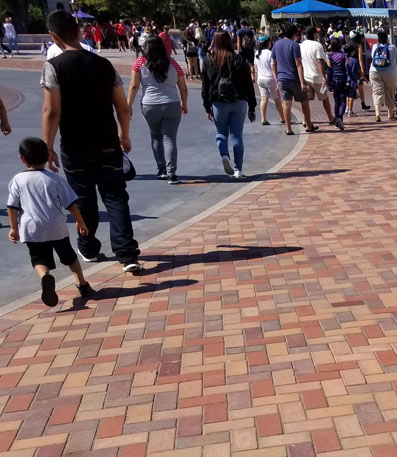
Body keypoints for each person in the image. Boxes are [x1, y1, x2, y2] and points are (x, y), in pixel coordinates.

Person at [41, 10, 142, 273]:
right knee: (116, 197)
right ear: (79, 32)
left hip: (75, 146)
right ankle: (127, 253)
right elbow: (122, 107)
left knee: (84, 199)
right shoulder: (104, 65)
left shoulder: (54, 67)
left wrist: (47, 146)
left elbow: (52, 111)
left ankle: (88, 247)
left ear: (54, 36)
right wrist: (125, 134)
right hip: (108, 141)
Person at [7, 137, 95, 306]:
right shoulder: (55, 179)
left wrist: (13, 228)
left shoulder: (18, 180)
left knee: (38, 259)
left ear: (22, 159)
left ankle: (45, 277)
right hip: (56, 226)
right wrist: (80, 221)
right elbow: (70, 203)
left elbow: (12, 206)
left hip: (31, 228)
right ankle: (83, 285)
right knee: (69, 256)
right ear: (47, 157)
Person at [128, 36, 188, 184]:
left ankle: (161, 168)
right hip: (171, 102)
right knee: (170, 138)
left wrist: (128, 105)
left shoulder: (140, 63)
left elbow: (134, 85)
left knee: (156, 136)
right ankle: (171, 173)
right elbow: (183, 86)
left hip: (149, 104)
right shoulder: (172, 63)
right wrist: (184, 102)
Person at [202, 30, 256, 178]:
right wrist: (252, 106)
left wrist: (206, 105)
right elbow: (248, 85)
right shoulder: (238, 60)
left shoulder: (209, 60)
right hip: (238, 100)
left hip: (218, 102)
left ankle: (224, 155)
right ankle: (238, 169)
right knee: (237, 136)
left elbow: (205, 85)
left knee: (221, 133)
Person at [272, 24, 317, 135]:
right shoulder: (294, 45)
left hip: (282, 78)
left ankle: (288, 128)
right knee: (304, 102)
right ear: (294, 34)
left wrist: (276, 79)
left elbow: (273, 64)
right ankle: (308, 125)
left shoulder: (276, 45)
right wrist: (303, 83)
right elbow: (298, 64)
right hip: (294, 78)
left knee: (286, 104)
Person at [368, 30, 397, 123]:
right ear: (387, 39)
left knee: (377, 92)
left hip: (375, 71)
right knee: (390, 92)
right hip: (390, 73)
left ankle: (378, 114)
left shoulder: (375, 46)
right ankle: (390, 114)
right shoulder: (393, 47)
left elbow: (373, 58)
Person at [300, 25, 332, 125]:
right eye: (317, 33)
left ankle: (305, 120)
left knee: (306, 100)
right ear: (314, 34)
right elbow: (320, 62)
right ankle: (330, 118)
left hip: (306, 76)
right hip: (317, 77)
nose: (318, 34)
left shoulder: (302, 45)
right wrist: (324, 77)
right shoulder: (318, 45)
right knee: (324, 98)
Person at [254, 35, 285, 126]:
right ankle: (283, 118)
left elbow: (256, 66)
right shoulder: (270, 53)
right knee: (277, 99)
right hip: (270, 79)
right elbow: (273, 67)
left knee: (264, 99)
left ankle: (263, 119)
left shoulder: (256, 53)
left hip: (260, 78)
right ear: (268, 43)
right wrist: (277, 79)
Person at [326, 37, 350, 130]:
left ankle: (337, 121)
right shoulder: (345, 55)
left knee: (336, 100)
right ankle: (339, 117)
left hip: (334, 80)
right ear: (340, 46)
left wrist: (329, 84)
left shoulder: (330, 56)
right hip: (343, 79)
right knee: (343, 100)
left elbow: (329, 70)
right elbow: (347, 68)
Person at [349, 28, 371, 111]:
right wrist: (363, 71)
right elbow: (360, 59)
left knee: (351, 87)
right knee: (360, 86)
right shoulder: (359, 46)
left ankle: (348, 107)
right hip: (357, 67)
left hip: (350, 67)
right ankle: (363, 104)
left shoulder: (349, 44)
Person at [342, 42, 361, 118]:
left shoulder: (343, 60)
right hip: (352, 81)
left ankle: (347, 108)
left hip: (344, 80)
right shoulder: (354, 60)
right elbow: (359, 71)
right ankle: (350, 111)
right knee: (351, 96)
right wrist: (364, 78)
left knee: (347, 95)